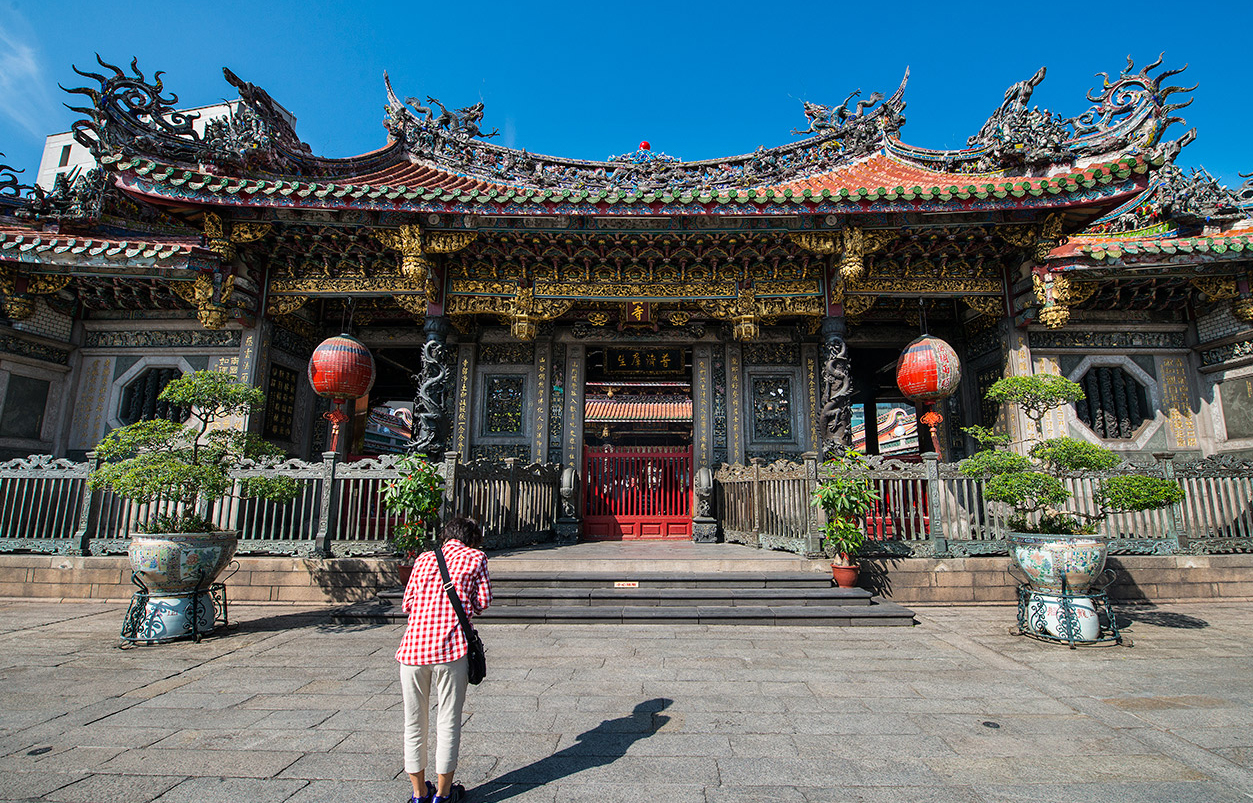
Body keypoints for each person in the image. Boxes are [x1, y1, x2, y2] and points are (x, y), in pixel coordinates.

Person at [396, 516, 492, 803]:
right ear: (472, 537)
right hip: (451, 649)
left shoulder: (424, 559)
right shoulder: (476, 558)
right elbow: (483, 602)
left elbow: (408, 604)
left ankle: (418, 793)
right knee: (448, 720)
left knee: (413, 722)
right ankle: (443, 793)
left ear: (446, 535)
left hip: (412, 651)